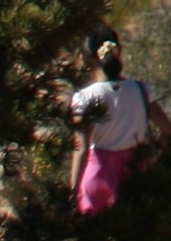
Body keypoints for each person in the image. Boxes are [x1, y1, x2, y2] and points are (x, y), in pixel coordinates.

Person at [64, 35, 161, 217]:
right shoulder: (140, 90)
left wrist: (72, 193)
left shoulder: (85, 97)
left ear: (87, 60)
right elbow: (169, 130)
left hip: (98, 173)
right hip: (136, 172)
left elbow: (82, 148)